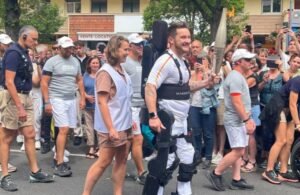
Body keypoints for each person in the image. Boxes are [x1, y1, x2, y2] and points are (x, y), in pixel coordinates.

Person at [144, 22, 214, 195]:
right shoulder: (165, 61)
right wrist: (153, 116)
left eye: (188, 37)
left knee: (189, 158)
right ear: (171, 39)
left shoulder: (181, 62)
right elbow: (150, 87)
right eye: (182, 37)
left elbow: (184, 87)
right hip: (168, 121)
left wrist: (206, 83)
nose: (187, 41)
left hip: (182, 121)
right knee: (165, 162)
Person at [0, 25, 54, 192]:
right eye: (34, 39)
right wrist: (19, 106)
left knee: (30, 134)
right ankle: (4, 176)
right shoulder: (13, 53)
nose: (36, 42)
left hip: (26, 96)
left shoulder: (23, 52)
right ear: (24, 37)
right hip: (14, 97)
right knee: (7, 137)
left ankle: (35, 172)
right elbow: (9, 82)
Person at [82, 35, 132, 195]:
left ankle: (118, 193)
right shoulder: (105, 73)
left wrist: (131, 121)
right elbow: (102, 102)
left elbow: (123, 99)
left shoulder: (121, 69)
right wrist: (111, 128)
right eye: (125, 49)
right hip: (111, 126)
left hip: (123, 124)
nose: (127, 52)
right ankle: (86, 193)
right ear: (115, 50)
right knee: (104, 161)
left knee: (122, 159)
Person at [206, 48, 256, 191]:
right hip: (235, 119)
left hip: (238, 119)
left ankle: (236, 179)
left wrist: (246, 119)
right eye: (247, 60)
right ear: (238, 62)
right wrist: (247, 120)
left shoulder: (237, 76)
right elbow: (236, 102)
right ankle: (216, 173)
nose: (251, 62)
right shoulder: (235, 77)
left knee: (238, 149)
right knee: (239, 151)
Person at [41, 36, 85, 177]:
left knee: (67, 130)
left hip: (71, 99)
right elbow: (44, 83)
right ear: (59, 48)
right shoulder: (51, 62)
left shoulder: (75, 61)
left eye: (70, 48)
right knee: (64, 129)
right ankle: (59, 163)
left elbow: (79, 80)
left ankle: (57, 156)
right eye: (66, 48)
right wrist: (47, 102)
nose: (69, 50)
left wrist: (82, 97)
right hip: (56, 98)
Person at [261, 55, 300, 184]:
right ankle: (268, 170)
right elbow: (292, 104)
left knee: (289, 141)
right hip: (277, 107)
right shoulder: (297, 81)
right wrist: (298, 123)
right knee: (281, 140)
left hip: (288, 111)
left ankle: (283, 172)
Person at [122, 33, 148, 185]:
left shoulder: (143, 62)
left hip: (142, 107)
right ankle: (141, 172)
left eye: (142, 44)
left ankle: (119, 168)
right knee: (137, 139)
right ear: (130, 46)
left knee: (129, 141)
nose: (141, 46)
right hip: (130, 108)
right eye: (138, 44)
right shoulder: (125, 64)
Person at [0, 33, 18, 174]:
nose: (8, 46)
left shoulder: (6, 58)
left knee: (5, 129)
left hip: (4, 94)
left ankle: (3, 161)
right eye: (5, 44)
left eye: (9, 44)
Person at [83, 56, 101, 159]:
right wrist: (86, 96)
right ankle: (91, 147)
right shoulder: (85, 75)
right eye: (93, 63)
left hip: (99, 107)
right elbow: (80, 88)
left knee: (99, 128)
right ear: (89, 64)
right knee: (89, 128)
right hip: (88, 106)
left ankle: (100, 147)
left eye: (97, 63)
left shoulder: (102, 75)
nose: (95, 65)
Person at [73, 40, 89, 146]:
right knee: (77, 113)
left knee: (88, 114)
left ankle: (88, 134)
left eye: (80, 47)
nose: (78, 50)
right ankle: (77, 134)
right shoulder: (73, 60)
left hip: (89, 87)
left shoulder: (89, 59)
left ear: (84, 48)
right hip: (77, 88)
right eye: (76, 48)